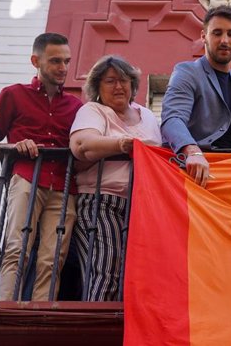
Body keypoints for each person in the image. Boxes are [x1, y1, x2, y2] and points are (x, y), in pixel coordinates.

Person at [0, 32, 82, 301]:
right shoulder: (13, 95)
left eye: (67, 62)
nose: (63, 68)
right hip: (25, 179)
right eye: (55, 61)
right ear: (35, 60)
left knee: (53, 256)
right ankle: (6, 310)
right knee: (16, 247)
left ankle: (41, 313)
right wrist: (15, 147)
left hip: (63, 186)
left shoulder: (75, 105)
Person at [69, 55, 161, 301]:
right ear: (97, 87)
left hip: (141, 206)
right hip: (102, 201)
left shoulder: (148, 116)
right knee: (106, 269)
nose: (119, 87)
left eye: (124, 80)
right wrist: (123, 144)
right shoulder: (93, 110)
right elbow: (82, 145)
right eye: (110, 81)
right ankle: (98, 330)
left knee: (138, 275)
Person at [160, 5, 231, 187]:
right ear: (204, 36)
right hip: (193, 175)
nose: (224, 40)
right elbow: (172, 119)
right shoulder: (186, 72)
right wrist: (193, 152)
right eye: (217, 33)